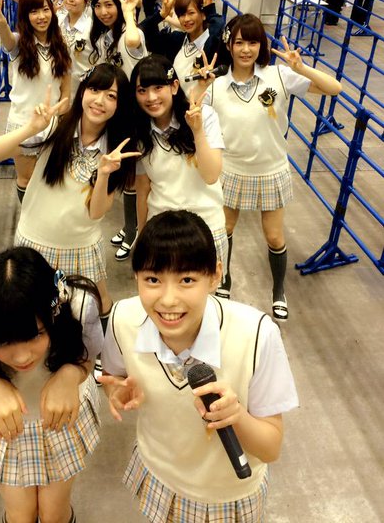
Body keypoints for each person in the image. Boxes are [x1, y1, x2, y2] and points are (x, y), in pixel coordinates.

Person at [99, 209, 299, 523]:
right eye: (153, 279)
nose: (168, 299)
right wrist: (116, 393)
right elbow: (113, 376)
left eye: (187, 280)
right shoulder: (123, 318)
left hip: (226, 494)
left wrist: (236, 416)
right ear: (136, 276)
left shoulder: (256, 335)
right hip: (159, 474)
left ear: (215, 275)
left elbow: (271, 447)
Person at [0, 246, 103, 523]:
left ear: (52, 315)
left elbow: (88, 359)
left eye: (35, 335)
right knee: (20, 515)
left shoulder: (77, 306)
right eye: (3, 342)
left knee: (54, 514)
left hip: (62, 420)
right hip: (6, 428)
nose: (23, 357)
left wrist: (70, 374)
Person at [197, 14, 342, 318]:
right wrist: (200, 85)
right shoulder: (217, 85)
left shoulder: (279, 76)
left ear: (261, 46)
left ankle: (278, 290)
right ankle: (225, 279)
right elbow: (192, 115)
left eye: (253, 42)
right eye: (239, 42)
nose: (246, 49)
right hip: (231, 170)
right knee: (224, 229)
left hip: (271, 169)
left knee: (274, 237)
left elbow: (334, 88)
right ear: (229, 45)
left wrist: (301, 68)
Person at [0, 62, 138, 330]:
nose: (100, 101)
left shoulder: (116, 149)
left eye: (111, 96)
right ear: (82, 91)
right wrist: (31, 128)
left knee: (95, 304)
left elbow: (96, 213)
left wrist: (103, 174)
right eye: (94, 90)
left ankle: (102, 349)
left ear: (119, 105)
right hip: (35, 240)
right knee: (37, 308)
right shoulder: (55, 126)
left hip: (80, 246)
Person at [130, 55, 228, 288]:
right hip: (160, 231)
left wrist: (197, 131)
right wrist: (142, 235)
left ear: (174, 87)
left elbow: (211, 175)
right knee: (162, 300)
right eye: (142, 90)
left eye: (158, 87)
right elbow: (143, 189)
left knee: (203, 301)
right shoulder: (139, 130)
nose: (151, 97)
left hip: (205, 228)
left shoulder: (204, 116)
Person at [0, 0, 71, 200]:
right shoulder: (20, 43)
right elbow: (8, 40)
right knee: (26, 178)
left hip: (53, 124)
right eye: (34, 12)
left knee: (51, 179)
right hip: (24, 124)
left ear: (52, 11)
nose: (41, 16)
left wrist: (60, 119)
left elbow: (66, 92)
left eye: (45, 10)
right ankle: (27, 216)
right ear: (25, 16)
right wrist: (1, 23)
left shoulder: (62, 45)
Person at [89, 0, 147, 263]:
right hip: (117, 116)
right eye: (98, 5)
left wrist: (129, 14)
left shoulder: (129, 34)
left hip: (136, 117)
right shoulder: (103, 37)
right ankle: (129, 225)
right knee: (125, 177)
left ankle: (135, 231)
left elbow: (134, 41)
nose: (103, 11)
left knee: (135, 180)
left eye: (109, 5)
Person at [139, 0, 223, 94]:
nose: (186, 19)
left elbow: (219, 28)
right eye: (182, 14)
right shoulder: (176, 39)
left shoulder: (212, 43)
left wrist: (211, 12)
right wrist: (161, 14)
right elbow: (141, 32)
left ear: (203, 15)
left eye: (191, 13)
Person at [59, 0, 94, 97]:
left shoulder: (92, 28)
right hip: (57, 87)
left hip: (82, 90)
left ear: (87, 1)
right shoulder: (57, 21)